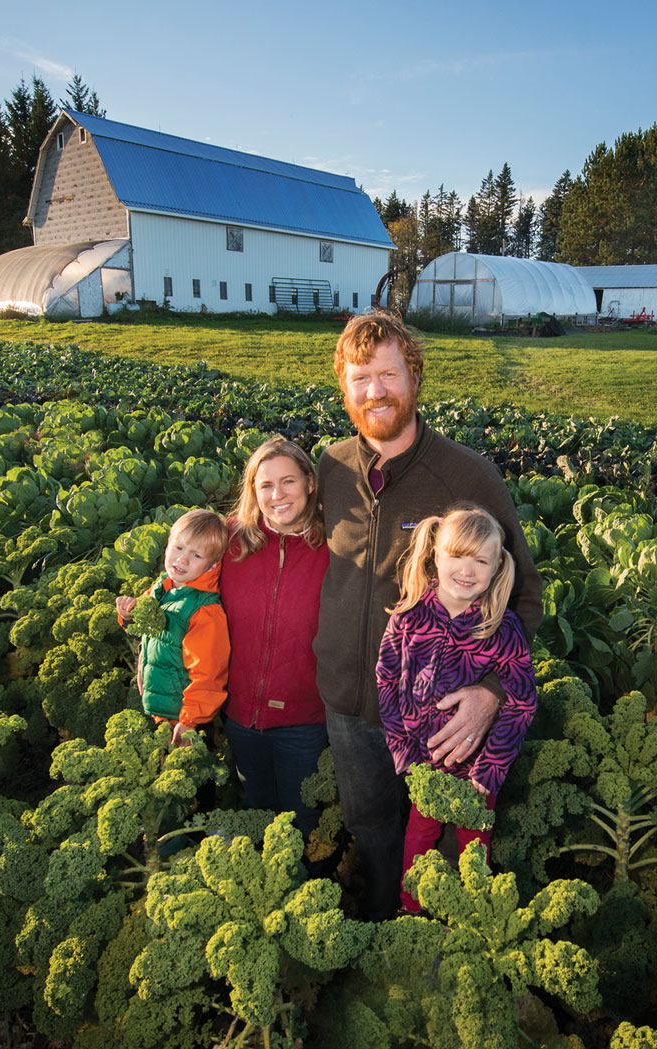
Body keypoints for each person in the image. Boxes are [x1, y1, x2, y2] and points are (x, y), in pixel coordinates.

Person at [314, 312, 542, 921]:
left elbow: (525, 591)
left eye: (388, 374)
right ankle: (382, 938)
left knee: (439, 847)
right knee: (373, 834)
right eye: (360, 378)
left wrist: (492, 692)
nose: (375, 391)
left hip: (440, 720)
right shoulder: (330, 469)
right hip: (350, 709)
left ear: (413, 376)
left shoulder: (466, 475)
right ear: (344, 386)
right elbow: (268, 524)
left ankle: (429, 958)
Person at [375, 507, 535, 913]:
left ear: (497, 566)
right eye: (457, 556)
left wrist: (490, 769)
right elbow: (387, 681)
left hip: (475, 773)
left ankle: (473, 921)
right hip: (425, 768)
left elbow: (521, 703)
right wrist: (405, 755)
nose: (467, 570)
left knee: (474, 853)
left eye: (481, 560)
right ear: (436, 556)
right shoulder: (408, 616)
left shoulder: (503, 628)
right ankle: (411, 915)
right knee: (417, 846)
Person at [220, 436, 330, 834]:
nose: (277, 495)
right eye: (265, 485)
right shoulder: (231, 539)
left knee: (303, 821)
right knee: (257, 809)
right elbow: (183, 574)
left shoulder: (337, 547)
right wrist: (143, 606)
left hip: (304, 718)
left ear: (310, 483)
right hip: (241, 715)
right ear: (253, 490)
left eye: (288, 482)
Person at [116, 508, 231, 747]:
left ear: (211, 566)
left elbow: (208, 676)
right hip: (163, 709)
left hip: (188, 719)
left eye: (196, 555)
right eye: (178, 547)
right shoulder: (164, 585)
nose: (182, 559)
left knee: (190, 774)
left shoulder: (204, 611)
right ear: (167, 545)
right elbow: (141, 626)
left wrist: (189, 721)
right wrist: (128, 613)